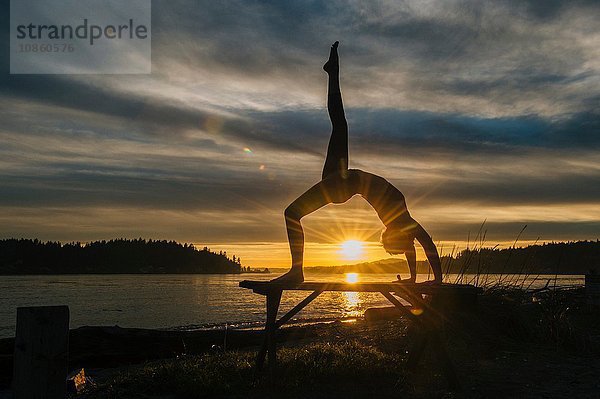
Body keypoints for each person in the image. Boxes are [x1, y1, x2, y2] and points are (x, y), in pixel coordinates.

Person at [274, 41, 442, 284]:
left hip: (344, 183)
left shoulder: (403, 225)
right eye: (390, 241)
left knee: (293, 212)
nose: (384, 232)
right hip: (343, 182)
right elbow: (426, 245)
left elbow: (415, 245)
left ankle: (296, 271)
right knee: (340, 126)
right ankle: (332, 72)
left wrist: (416, 278)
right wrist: (431, 279)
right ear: (395, 236)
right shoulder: (405, 225)